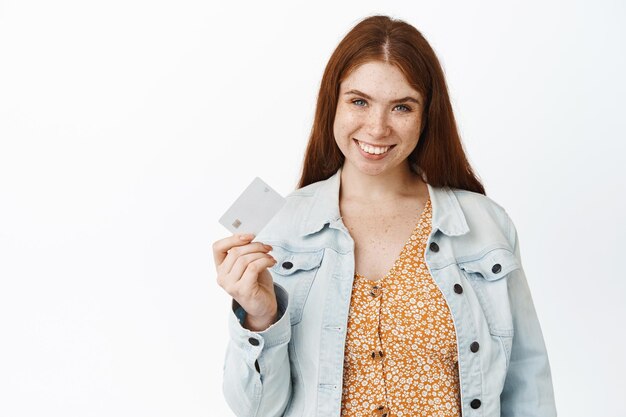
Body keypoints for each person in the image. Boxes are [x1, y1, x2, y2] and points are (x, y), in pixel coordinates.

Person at [212, 15, 557, 417]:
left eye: (401, 107)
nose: (377, 128)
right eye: (359, 101)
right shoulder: (280, 230)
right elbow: (255, 409)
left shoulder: (484, 226)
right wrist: (260, 316)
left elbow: (528, 383)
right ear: (333, 104)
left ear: (427, 114)